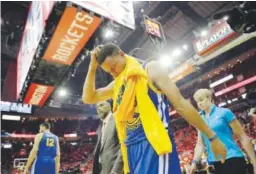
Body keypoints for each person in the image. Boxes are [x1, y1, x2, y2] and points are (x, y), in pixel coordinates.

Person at [82, 43, 227, 174]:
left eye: (113, 66)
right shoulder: (118, 85)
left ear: (121, 54)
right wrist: (92, 68)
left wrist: (212, 136)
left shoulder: (151, 68)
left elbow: (181, 104)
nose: (113, 72)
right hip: (131, 148)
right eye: (109, 71)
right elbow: (89, 98)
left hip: (153, 143)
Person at [189, 89, 256, 174]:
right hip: (217, 163)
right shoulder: (199, 119)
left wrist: (254, 163)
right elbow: (200, 144)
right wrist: (194, 163)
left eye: (201, 100)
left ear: (209, 98)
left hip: (232, 158)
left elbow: (242, 136)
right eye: (197, 101)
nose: (199, 103)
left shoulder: (224, 112)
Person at [92, 101, 123, 174]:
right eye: (97, 107)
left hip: (112, 169)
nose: (99, 108)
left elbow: (123, 147)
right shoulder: (101, 124)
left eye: (101, 105)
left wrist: (116, 171)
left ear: (109, 107)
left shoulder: (117, 120)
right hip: (100, 167)